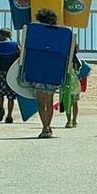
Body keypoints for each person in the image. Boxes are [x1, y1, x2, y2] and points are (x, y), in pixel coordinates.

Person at [30, 8, 65, 139]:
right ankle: (48, 126)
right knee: (49, 100)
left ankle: (44, 127)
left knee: (40, 101)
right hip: (52, 70)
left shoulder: (35, 33)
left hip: (38, 69)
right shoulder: (59, 34)